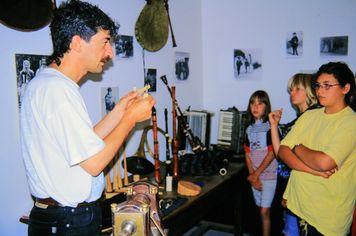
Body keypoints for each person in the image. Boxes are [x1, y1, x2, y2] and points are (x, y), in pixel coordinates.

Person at [20, 1, 155, 235]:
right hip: (67, 221)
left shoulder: (51, 84)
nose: (110, 53)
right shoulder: (57, 90)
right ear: (76, 43)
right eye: (104, 42)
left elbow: (84, 145)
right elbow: (94, 164)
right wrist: (130, 119)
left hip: (65, 217)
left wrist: (120, 111)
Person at [278, 62, 356, 235]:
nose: (320, 91)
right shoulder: (310, 116)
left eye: (327, 86)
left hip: (327, 215)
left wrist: (298, 148)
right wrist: (313, 171)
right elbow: (282, 151)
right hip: (300, 205)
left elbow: (325, 162)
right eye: (318, 86)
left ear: (345, 88)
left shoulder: (351, 122)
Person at [268, 73, 319, 236]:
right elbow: (279, 153)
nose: (292, 93)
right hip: (289, 183)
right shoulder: (301, 119)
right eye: (291, 89)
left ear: (309, 91)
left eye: (297, 88)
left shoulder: (312, 117)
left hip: (300, 187)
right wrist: (274, 125)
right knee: (290, 228)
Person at [244, 90, 277, 236]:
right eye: (252, 103)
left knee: (265, 211)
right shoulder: (249, 129)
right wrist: (252, 175)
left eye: (259, 103)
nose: (255, 107)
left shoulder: (271, 127)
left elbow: (272, 153)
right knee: (260, 210)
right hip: (255, 177)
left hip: (268, 176)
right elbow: (247, 153)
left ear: (266, 106)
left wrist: (256, 174)